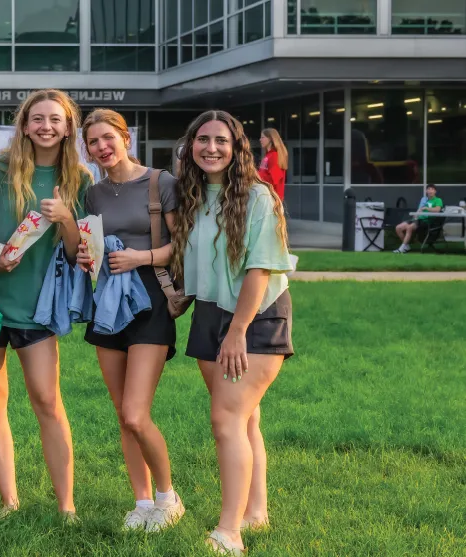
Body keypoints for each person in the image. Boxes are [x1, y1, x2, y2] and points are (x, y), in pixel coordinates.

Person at [170, 110, 294, 555]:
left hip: (254, 316)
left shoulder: (258, 196)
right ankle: (255, 511)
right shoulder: (195, 195)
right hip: (208, 313)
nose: (211, 148)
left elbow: (260, 267)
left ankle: (229, 532)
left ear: (237, 146)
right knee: (245, 418)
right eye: (202, 139)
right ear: (191, 147)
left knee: (225, 420)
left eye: (221, 140)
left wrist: (238, 330)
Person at [0, 89, 92, 520]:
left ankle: (67, 506)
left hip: (36, 308)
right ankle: (9, 501)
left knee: (47, 401)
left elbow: (76, 252)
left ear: (67, 128)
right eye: (37, 118)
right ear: (24, 124)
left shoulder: (80, 178)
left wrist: (65, 217)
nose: (46, 126)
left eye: (56, 119)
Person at [78, 109, 185, 531]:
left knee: (137, 413)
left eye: (108, 138)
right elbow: (91, 247)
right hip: (109, 303)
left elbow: (184, 245)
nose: (102, 147)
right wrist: (88, 256)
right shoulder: (94, 195)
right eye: (93, 143)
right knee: (123, 413)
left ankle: (167, 497)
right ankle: (141, 503)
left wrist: (142, 256)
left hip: (151, 302)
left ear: (126, 138)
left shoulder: (161, 183)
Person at [393, 184, 443, 253]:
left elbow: (437, 210)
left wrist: (426, 208)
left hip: (426, 220)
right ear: (426, 191)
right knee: (398, 228)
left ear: (435, 191)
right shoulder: (424, 199)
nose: (430, 191)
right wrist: (415, 215)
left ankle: (401, 248)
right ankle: (406, 246)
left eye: (432, 189)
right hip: (417, 218)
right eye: (428, 189)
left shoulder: (438, 200)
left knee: (409, 227)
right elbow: (419, 209)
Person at [257, 128, 288, 200]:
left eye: (262, 137)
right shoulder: (268, 155)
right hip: (267, 196)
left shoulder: (274, 156)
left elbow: (275, 179)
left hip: (272, 198)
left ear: (270, 139)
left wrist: (256, 176)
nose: (260, 139)